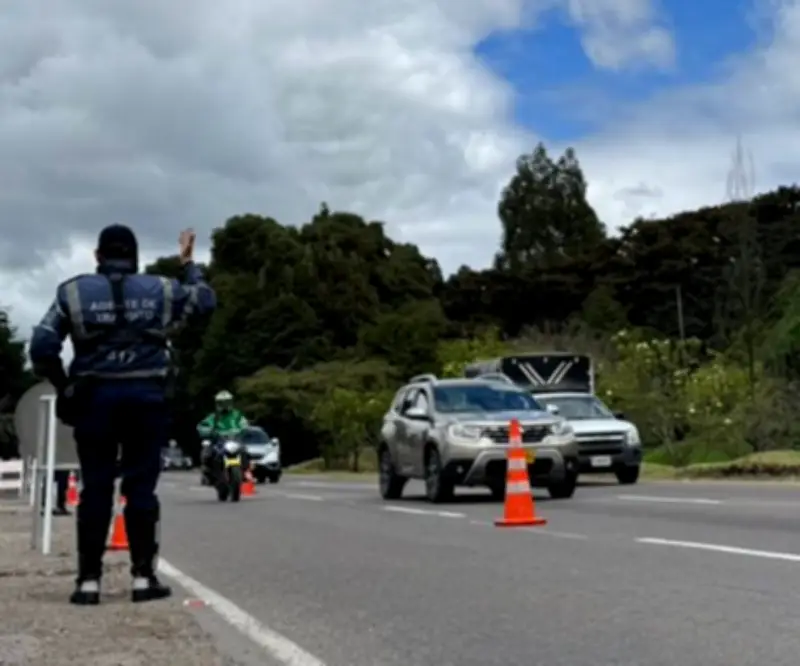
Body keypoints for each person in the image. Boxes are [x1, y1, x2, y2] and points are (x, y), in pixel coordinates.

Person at [28, 225, 216, 606]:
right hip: (147, 400)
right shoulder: (161, 289)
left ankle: (88, 583)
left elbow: (43, 345)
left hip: (93, 400)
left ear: (98, 256)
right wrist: (187, 263)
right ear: (135, 257)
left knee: (95, 488)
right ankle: (143, 578)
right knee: (141, 489)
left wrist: (65, 386)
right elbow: (205, 301)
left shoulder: (73, 292)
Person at [197, 390, 248, 476]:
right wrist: (207, 431)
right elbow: (202, 426)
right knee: (208, 452)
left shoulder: (237, 415)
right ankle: (208, 470)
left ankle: (246, 470)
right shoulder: (213, 417)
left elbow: (244, 423)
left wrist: (243, 428)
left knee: (244, 451)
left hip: (234, 440)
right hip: (219, 442)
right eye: (222, 403)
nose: (225, 405)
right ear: (217, 403)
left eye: (227, 402)